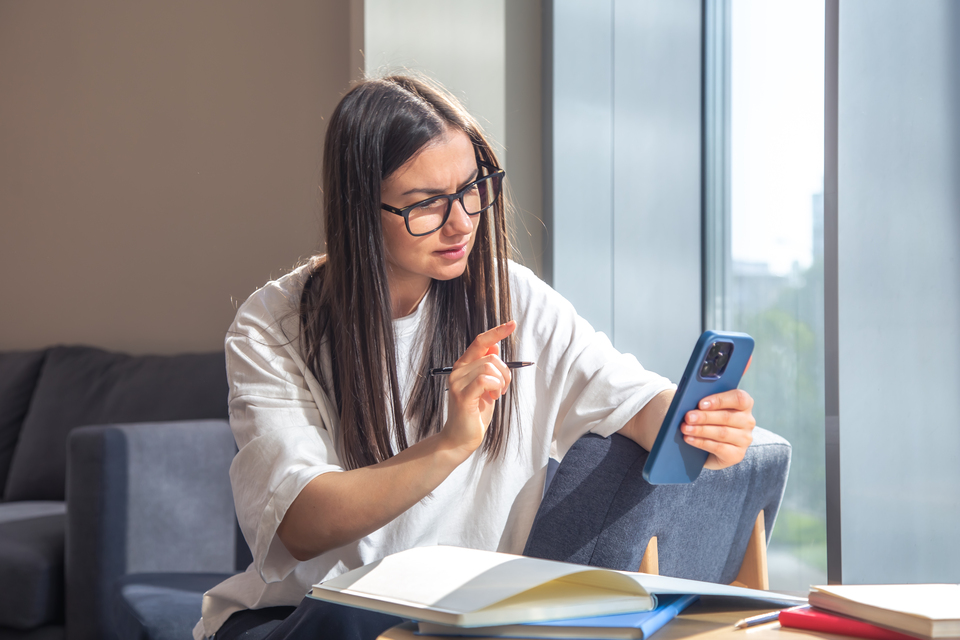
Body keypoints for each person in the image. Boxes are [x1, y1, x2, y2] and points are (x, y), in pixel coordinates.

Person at [193, 75, 756, 640]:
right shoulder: (275, 325)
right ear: (358, 208)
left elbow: (632, 401)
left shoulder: (513, 299)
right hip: (303, 615)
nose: (462, 221)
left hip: (454, 618)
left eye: (470, 189)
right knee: (355, 618)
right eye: (425, 204)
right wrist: (449, 443)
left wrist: (702, 426)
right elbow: (301, 524)